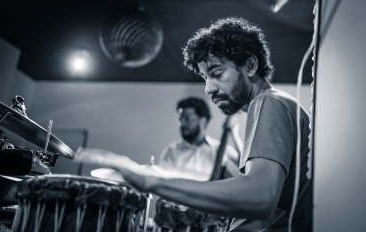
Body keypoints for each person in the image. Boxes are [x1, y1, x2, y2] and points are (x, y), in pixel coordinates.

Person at [77, 17, 312, 232]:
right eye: (204, 78)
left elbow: (260, 198)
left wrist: (150, 180)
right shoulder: (276, 104)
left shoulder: (269, 103)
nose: (208, 88)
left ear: (250, 66)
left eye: (217, 73)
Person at [158, 96, 241, 180]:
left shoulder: (221, 150)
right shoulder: (171, 152)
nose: (182, 124)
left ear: (203, 121)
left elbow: (246, 168)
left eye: (187, 119)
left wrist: (235, 135)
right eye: (180, 119)